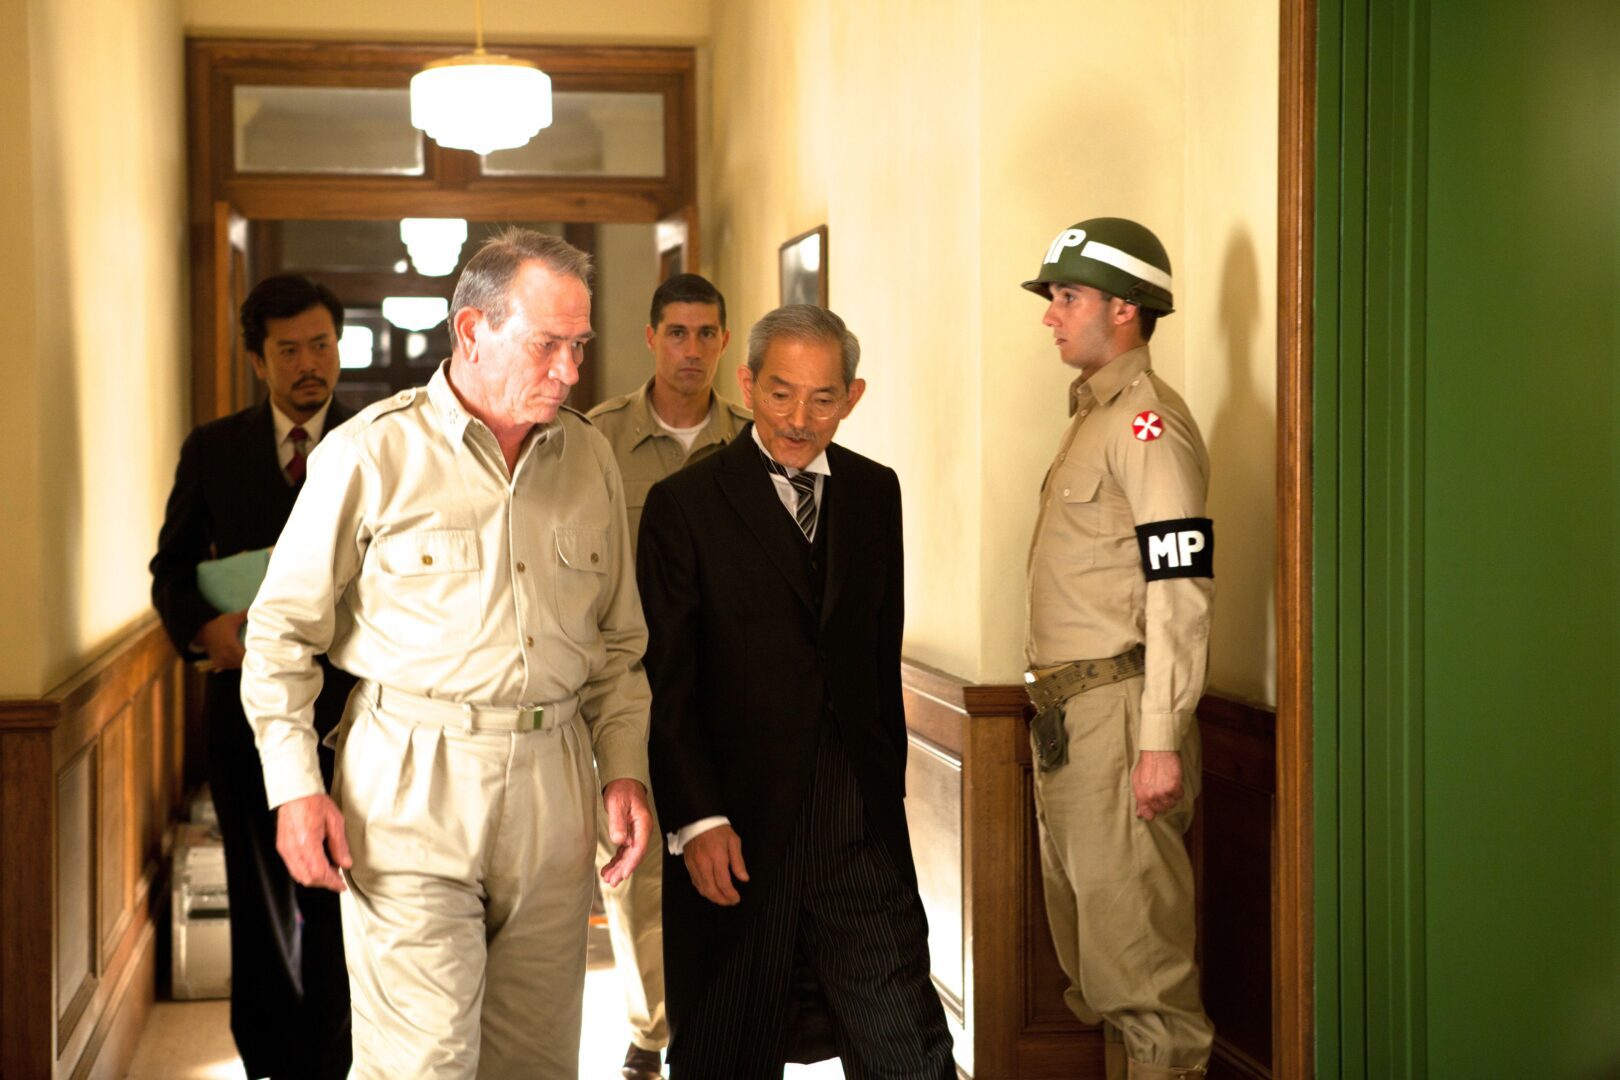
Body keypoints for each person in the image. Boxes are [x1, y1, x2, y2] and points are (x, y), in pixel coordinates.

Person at [238, 228, 654, 1080]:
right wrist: (294, 789)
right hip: (409, 786)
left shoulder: (590, 456)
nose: (569, 370)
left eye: (579, 347)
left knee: (536, 1064)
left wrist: (623, 770)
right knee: (424, 1064)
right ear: (472, 330)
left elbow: (617, 647)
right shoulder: (369, 453)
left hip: (554, 789)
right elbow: (280, 635)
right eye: (546, 345)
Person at [637, 304, 955, 1078]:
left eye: (822, 398)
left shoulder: (875, 493)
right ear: (748, 385)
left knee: (909, 1051)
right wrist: (697, 818)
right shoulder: (685, 505)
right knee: (726, 1054)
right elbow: (667, 682)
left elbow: (875, 656)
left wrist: (883, 796)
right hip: (736, 830)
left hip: (857, 825)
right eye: (781, 394)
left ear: (853, 397)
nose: (799, 419)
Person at [1020, 217, 1216, 1080]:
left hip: (1121, 720)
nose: (1050, 314)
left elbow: (1180, 588)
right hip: (1071, 721)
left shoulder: (1146, 425)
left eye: (1068, 296)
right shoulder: (1091, 419)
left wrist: (1160, 738)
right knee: (1098, 975)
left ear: (1125, 309)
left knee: (1143, 982)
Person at [150, 273, 355, 1080]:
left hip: (353, 714)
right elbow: (171, 571)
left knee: (345, 889)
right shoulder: (214, 449)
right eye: (289, 350)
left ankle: (341, 1055)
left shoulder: (373, 440)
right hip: (243, 713)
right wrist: (207, 631)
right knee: (260, 891)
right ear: (257, 360)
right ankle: (270, 1059)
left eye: (321, 345)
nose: (309, 364)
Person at [585, 272, 750, 1080]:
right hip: (630, 690)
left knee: (731, 864)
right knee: (637, 874)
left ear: (725, 341)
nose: (691, 349)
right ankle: (653, 1032)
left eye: (706, 333)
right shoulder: (596, 440)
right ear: (651, 338)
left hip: (731, 697)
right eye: (676, 332)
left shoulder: (752, 441)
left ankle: (725, 1025)